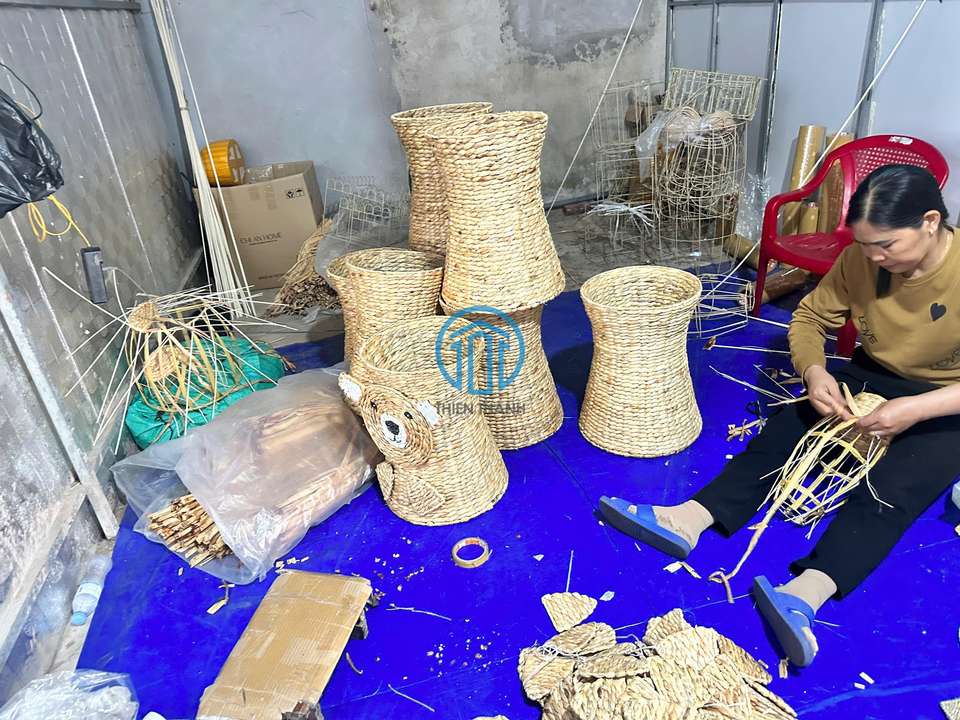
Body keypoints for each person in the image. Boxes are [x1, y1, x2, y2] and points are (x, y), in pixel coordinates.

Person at [599, 164, 960, 667]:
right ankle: (688, 518)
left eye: (886, 245)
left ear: (930, 222)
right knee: (787, 427)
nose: (875, 257)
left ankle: (804, 593)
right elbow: (810, 317)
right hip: (873, 373)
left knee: (898, 485)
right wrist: (814, 372)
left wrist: (918, 408)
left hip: (945, 398)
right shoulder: (861, 260)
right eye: (865, 245)